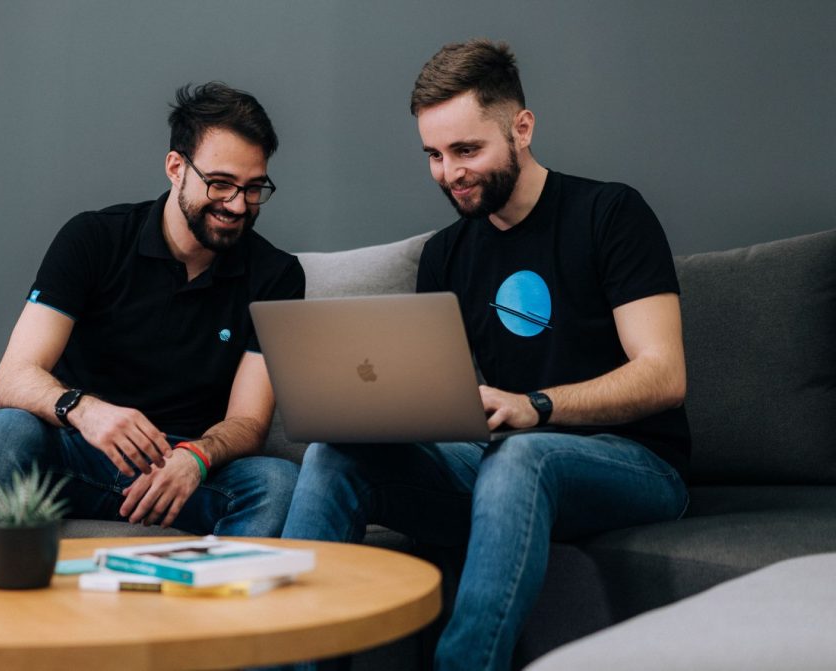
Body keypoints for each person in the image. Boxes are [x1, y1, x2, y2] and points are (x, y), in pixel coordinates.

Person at [282, 40, 690, 670]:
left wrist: (536, 407)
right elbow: (439, 404)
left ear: (521, 128)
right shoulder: (447, 254)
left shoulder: (609, 213)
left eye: (467, 150)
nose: (450, 173)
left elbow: (663, 376)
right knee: (337, 454)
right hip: (507, 464)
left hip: (638, 465)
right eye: (434, 155)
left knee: (521, 454)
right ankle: (291, 659)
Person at [0, 82, 304, 538]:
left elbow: (248, 422)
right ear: (176, 167)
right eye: (220, 184)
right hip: (76, 453)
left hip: (183, 473)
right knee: (1, 431)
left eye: (254, 188)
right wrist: (85, 410)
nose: (237, 205)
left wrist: (195, 457)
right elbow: (13, 377)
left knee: (278, 483)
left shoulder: (276, 275)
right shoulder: (94, 239)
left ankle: (217, 603)